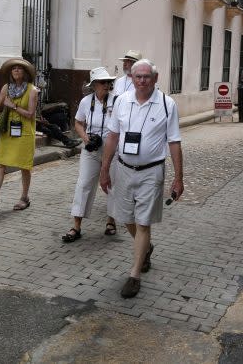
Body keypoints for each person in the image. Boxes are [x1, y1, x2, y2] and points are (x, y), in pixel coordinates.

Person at [100, 59, 184, 298]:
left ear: (155, 79)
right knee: (125, 217)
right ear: (132, 78)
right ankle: (145, 247)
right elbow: (113, 137)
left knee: (143, 221)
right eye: (138, 77)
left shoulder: (167, 105)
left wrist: (179, 178)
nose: (142, 81)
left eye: (147, 76)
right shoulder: (122, 102)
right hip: (123, 169)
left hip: (152, 171)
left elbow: (174, 142)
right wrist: (105, 169)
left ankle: (134, 275)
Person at [61, 68, 118, 243]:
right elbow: (78, 123)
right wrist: (86, 139)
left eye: (109, 82)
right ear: (94, 85)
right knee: (83, 183)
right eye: (103, 82)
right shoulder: (86, 102)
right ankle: (76, 226)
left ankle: (111, 220)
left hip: (113, 148)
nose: (107, 85)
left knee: (112, 185)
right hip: (91, 149)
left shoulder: (117, 101)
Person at [0, 58, 39, 212]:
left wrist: (13, 106)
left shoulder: (32, 90)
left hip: (25, 132)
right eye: (14, 68)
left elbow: (30, 114)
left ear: (25, 73)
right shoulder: (6, 88)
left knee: (24, 166)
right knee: (0, 163)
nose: (16, 70)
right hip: (8, 130)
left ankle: (24, 198)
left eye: (20, 68)